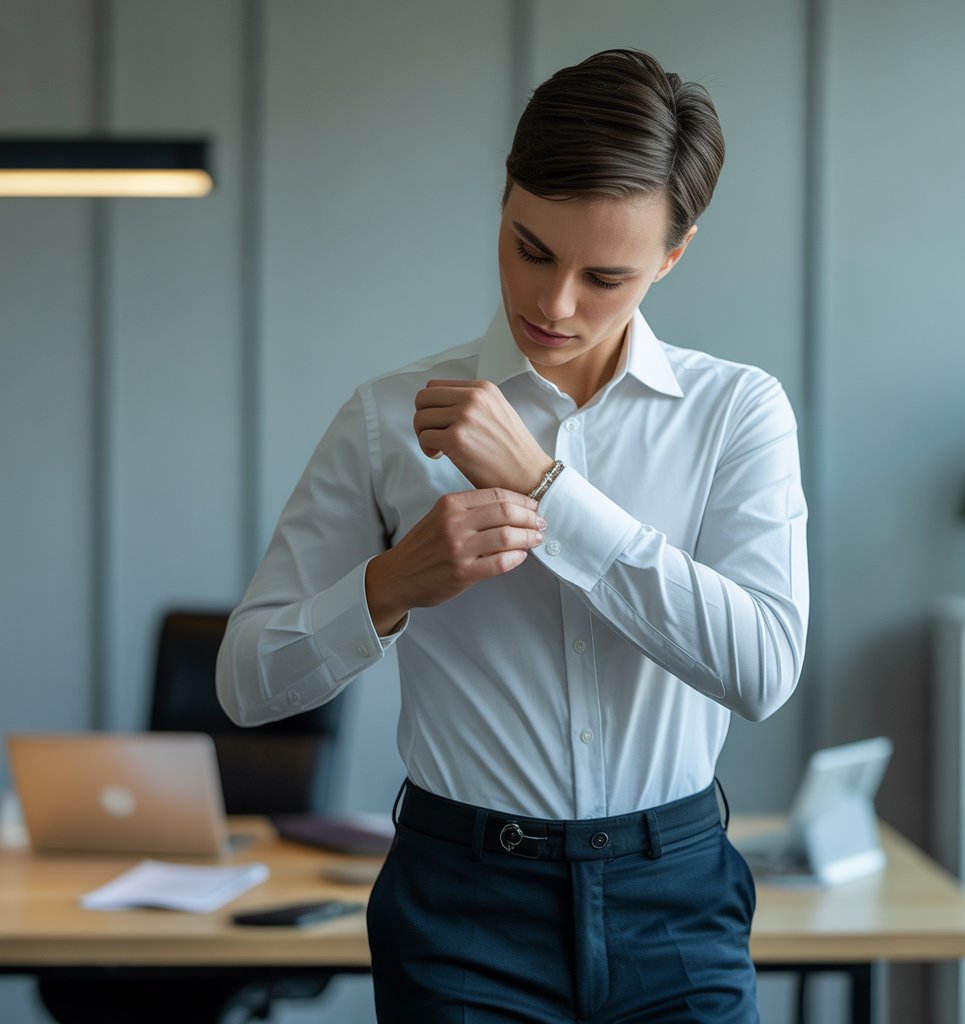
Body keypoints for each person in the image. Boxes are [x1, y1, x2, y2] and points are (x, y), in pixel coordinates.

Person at [217, 47, 808, 1024]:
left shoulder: (736, 414)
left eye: (605, 274)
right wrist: (389, 585)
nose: (554, 303)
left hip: (678, 905)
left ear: (672, 254)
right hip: (461, 914)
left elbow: (762, 669)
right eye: (530, 248)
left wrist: (544, 486)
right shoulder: (384, 418)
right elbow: (245, 683)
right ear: (503, 199)